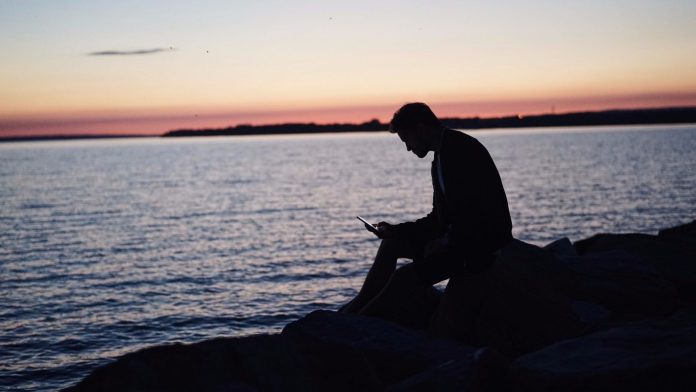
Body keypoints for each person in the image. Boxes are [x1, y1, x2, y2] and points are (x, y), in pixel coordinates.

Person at [341, 102, 513, 327]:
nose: (408, 149)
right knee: (391, 245)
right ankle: (357, 308)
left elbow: (476, 213)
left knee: (406, 277)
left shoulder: (461, 151)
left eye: (407, 140)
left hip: (479, 246)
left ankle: (360, 323)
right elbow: (437, 219)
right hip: (459, 240)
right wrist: (394, 230)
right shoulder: (441, 157)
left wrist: (445, 242)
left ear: (420, 129)